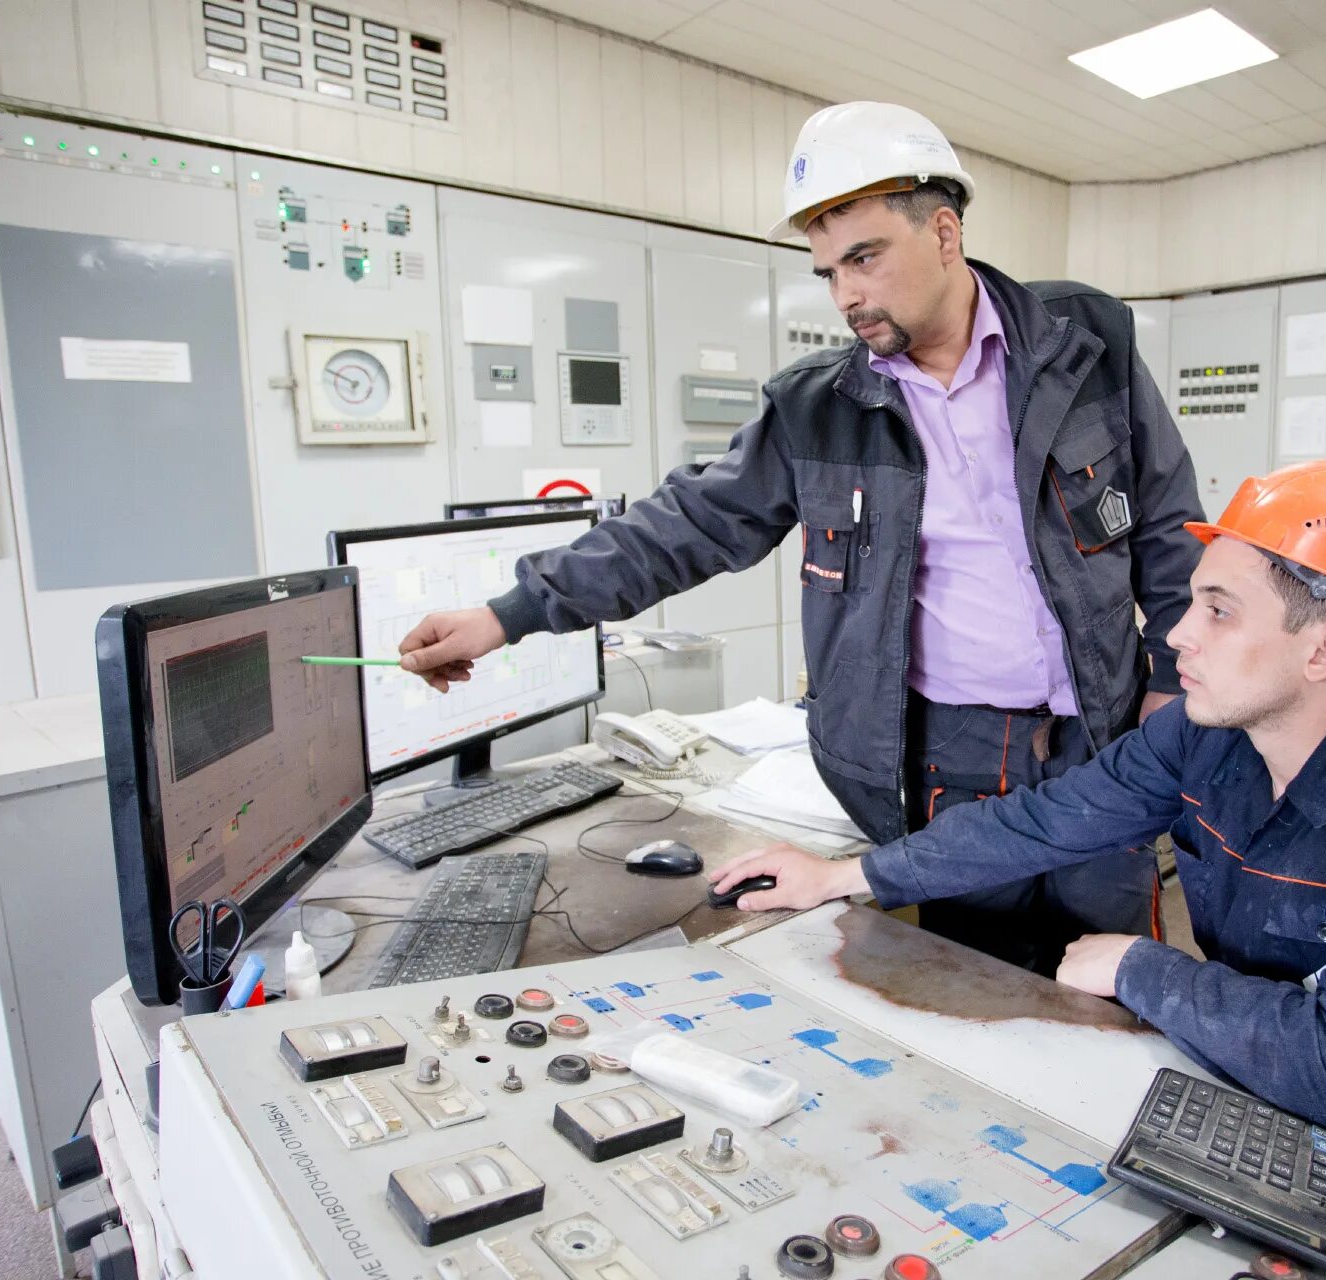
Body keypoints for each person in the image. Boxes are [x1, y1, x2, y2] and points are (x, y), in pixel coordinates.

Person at [395, 101, 1203, 977]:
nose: (846, 294)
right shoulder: (820, 409)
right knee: (994, 986)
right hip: (959, 761)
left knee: (1118, 983)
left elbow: (1167, 520)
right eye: (827, 271)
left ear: (942, 232)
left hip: (1105, 730)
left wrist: (1168, 676)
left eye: (863, 258)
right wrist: (508, 613)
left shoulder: (1086, 342)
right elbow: (688, 525)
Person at [708, 461, 1326, 1158]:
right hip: (1272, 1101)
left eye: (1218, 611)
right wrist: (844, 874)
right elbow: (1043, 820)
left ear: (1325, 649)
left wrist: (1143, 969)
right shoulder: (1214, 734)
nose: (1176, 635)